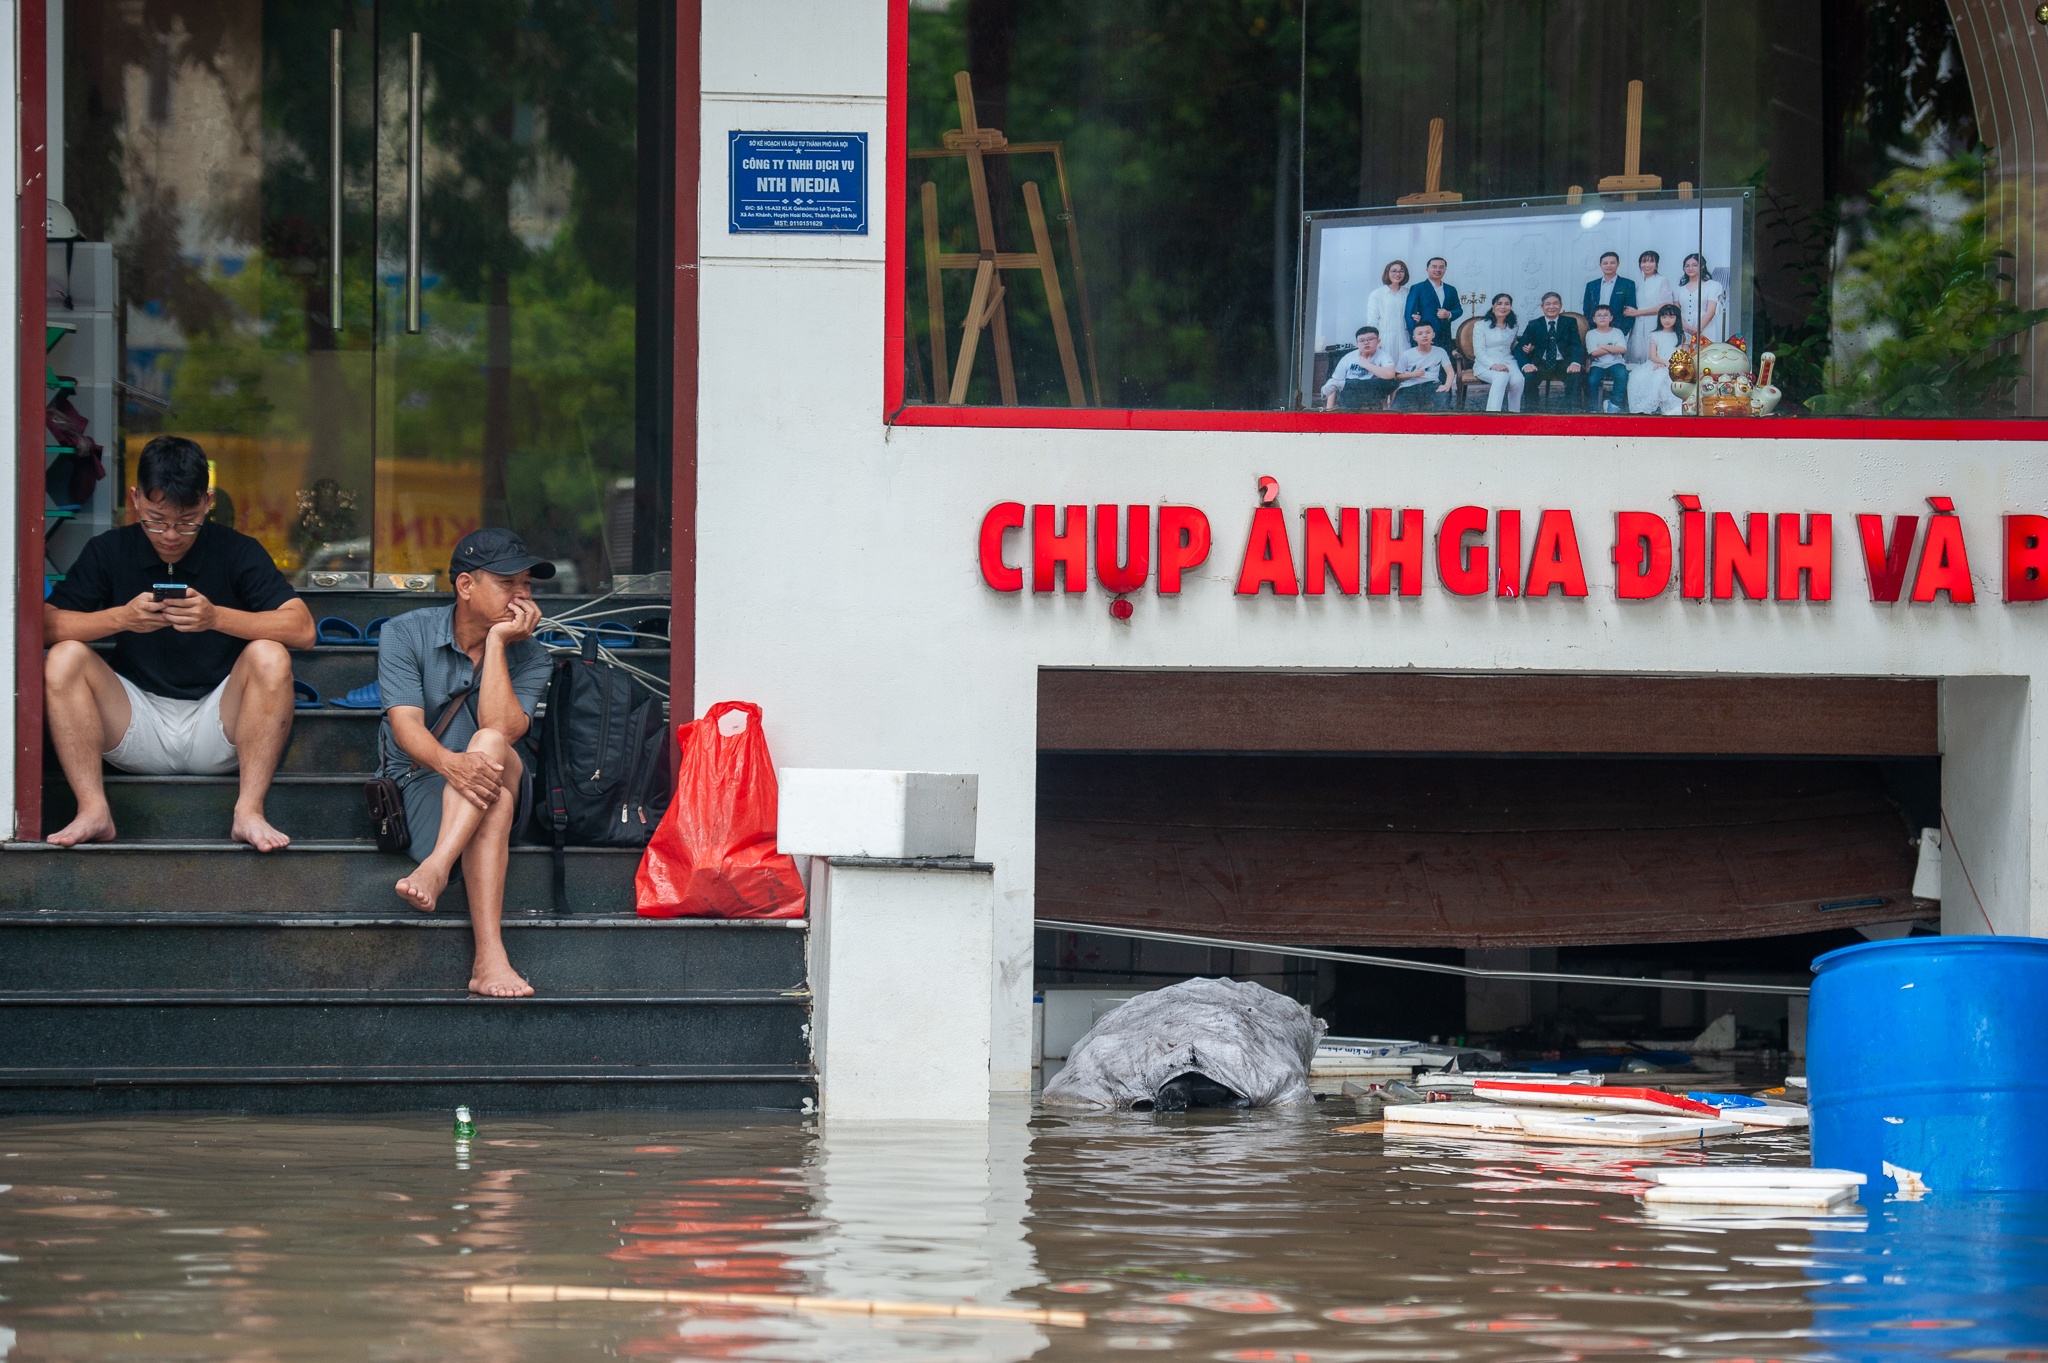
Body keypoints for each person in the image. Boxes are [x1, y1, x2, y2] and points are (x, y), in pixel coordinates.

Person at [42, 435, 315, 850]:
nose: (170, 534)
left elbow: (303, 630)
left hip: (219, 723)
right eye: (156, 520)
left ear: (207, 503)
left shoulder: (236, 550)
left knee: (269, 655)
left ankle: (249, 810)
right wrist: (122, 619)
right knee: (64, 658)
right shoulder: (109, 550)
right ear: (135, 499)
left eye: (187, 521)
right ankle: (93, 809)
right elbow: (41, 628)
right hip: (134, 722)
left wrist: (216, 617)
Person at [379, 529, 555, 998]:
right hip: (421, 782)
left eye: (528, 586)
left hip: (506, 772)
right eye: (508, 583)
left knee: (491, 741)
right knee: (490, 802)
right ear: (465, 586)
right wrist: (451, 766)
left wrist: (498, 644)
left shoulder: (532, 654)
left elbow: (505, 731)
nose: (522, 596)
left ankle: (437, 867)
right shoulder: (404, 633)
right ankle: (489, 960)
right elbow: (406, 728)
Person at [1517, 292, 1585, 408]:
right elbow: (1518, 348)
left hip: (1563, 363)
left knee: (1576, 375)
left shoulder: (1569, 322)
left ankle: (1571, 412)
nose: (1551, 307)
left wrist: (1575, 362)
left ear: (1561, 305)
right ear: (1542, 307)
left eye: (1555, 303)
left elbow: (1576, 345)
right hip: (1541, 363)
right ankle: (1532, 412)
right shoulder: (1534, 324)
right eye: (1548, 304)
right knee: (1529, 377)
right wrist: (1526, 364)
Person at [1320, 327, 1402, 410]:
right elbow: (1333, 385)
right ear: (1357, 344)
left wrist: (1366, 365)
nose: (1366, 343)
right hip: (1352, 393)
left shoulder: (1383, 355)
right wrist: (1329, 409)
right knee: (1346, 388)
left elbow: (1390, 374)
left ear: (1378, 341)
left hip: (1372, 392)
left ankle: (1345, 384)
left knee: (1393, 382)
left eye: (1370, 339)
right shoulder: (1348, 358)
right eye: (1362, 340)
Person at [1627, 302, 1687, 414]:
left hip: (1675, 365)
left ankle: (1669, 409)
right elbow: (1653, 356)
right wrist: (1664, 362)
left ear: (1677, 318)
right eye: (1663, 317)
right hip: (1657, 363)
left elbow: (1684, 356)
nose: (1667, 320)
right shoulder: (1655, 335)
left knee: (1666, 379)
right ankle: (1647, 409)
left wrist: (1672, 364)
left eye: (1671, 317)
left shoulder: (1682, 336)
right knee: (1640, 377)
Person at [1471, 293, 1525, 413]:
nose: (1503, 307)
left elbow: (1512, 344)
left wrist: (1525, 348)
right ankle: (1492, 415)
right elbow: (1479, 351)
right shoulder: (1480, 325)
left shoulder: (1513, 326)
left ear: (1510, 307)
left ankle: (1514, 413)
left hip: (1508, 361)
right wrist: (1493, 365)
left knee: (1518, 380)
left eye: (1507, 304)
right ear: (1493, 306)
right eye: (1499, 303)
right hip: (1485, 363)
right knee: (1501, 376)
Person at [1625, 249, 1677, 364]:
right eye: (1644, 261)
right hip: (1638, 323)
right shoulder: (1637, 282)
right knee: (1637, 353)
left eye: (1651, 261)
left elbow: (1664, 306)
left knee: (1651, 352)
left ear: (1657, 264)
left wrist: (1638, 312)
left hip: (1653, 320)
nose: (1647, 265)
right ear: (1640, 264)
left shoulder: (1662, 280)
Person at [1404, 257, 1462, 353]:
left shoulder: (1451, 289)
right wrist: (1418, 338)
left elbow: (1458, 310)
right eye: (1434, 267)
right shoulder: (1417, 288)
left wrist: (1449, 314)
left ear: (1445, 270)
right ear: (1427, 269)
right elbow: (1410, 316)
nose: (1437, 270)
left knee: (1443, 366)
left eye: (1441, 267)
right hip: (1424, 339)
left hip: (1445, 338)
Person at [1393, 322, 1455, 410]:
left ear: (1433, 335)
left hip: (1432, 385)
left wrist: (1446, 386)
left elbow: (1450, 372)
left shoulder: (1440, 351)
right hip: (1409, 387)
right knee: (1396, 410)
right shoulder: (1407, 354)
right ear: (1414, 338)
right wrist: (1413, 374)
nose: (1424, 336)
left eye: (1428, 332)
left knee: (1443, 404)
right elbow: (1397, 376)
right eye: (1420, 333)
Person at [1581, 251, 1637, 342]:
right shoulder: (1591, 285)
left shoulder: (1627, 284)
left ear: (1618, 264)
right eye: (1605, 263)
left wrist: (1622, 332)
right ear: (1600, 265)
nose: (1608, 265)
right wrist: (1590, 329)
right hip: (1594, 330)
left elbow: (1630, 311)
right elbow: (1586, 310)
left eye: (1612, 263)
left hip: (1617, 331)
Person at [1584, 304, 1630, 412]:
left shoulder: (1617, 332)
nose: (1602, 317)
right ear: (1594, 319)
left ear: (1611, 318)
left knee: (1622, 375)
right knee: (1592, 380)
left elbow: (1622, 349)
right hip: (1597, 364)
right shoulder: (1591, 334)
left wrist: (1603, 346)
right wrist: (1613, 347)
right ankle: (1593, 408)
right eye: (1599, 315)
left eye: (1605, 315)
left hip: (1615, 362)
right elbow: (1594, 352)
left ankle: (1614, 404)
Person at [1362, 260, 1412, 355]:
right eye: (1394, 271)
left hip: (1405, 338)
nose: (1398, 274)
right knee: (1387, 367)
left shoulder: (1408, 293)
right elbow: (1372, 320)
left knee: (1405, 368)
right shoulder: (1377, 294)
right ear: (1387, 273)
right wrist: (1374, 341)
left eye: (1401, 271)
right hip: (1385, 340)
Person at [1677, 253, 1724, 343]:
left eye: (1694, 265)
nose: (1690, 268)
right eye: (1687, 266)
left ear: (1702, 266)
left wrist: (1697, 329)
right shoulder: (1678, 288)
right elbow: (1677, 311)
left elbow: (1711, 311)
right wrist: (1687, 328)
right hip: (1684, 328)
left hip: (1706, 328)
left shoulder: (1713, 285)